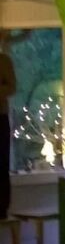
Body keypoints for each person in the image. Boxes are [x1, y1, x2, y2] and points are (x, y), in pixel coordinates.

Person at [0, 33, 16, 219]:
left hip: (0, 117)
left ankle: (2, 207)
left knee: (1, 163)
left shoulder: (4, 61)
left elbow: (12, 87)